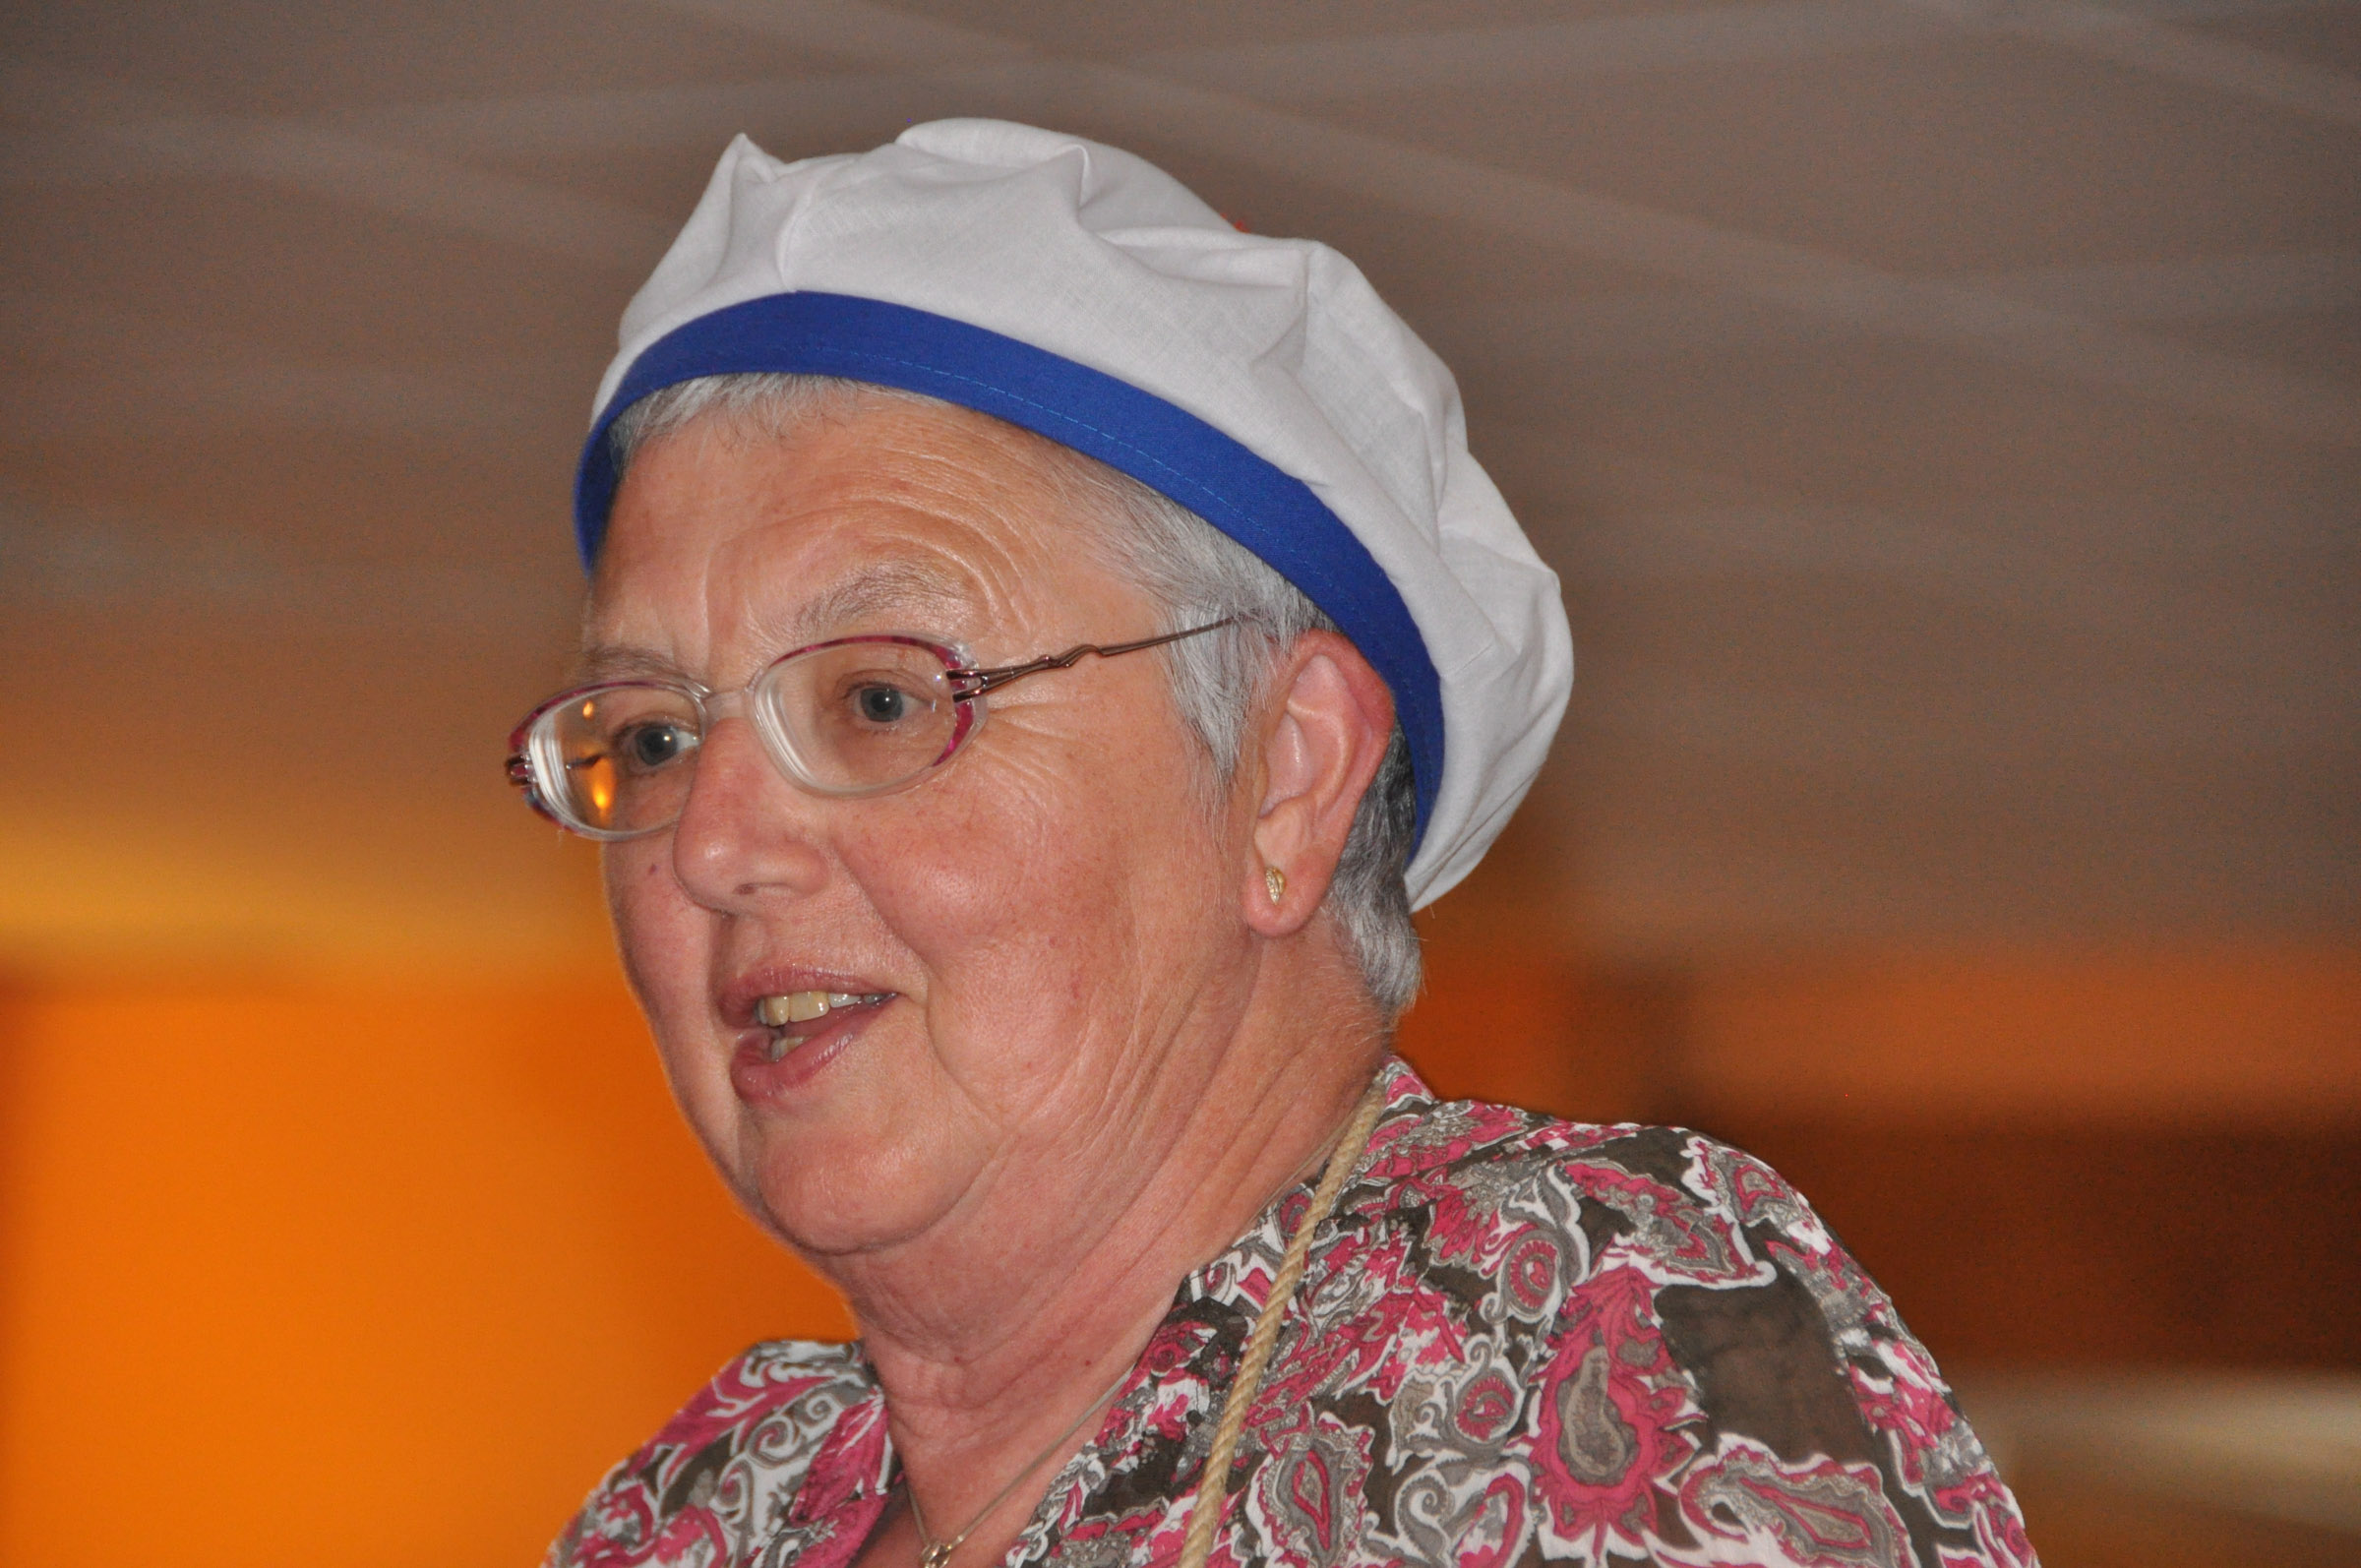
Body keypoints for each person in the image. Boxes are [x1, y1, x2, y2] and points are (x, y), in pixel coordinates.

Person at [511, 119, 2035, 1568]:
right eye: (653, 737)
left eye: (880, 700)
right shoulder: (709, 1507)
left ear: (1287, 780)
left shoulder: (1576, 1328)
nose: (712, 845)